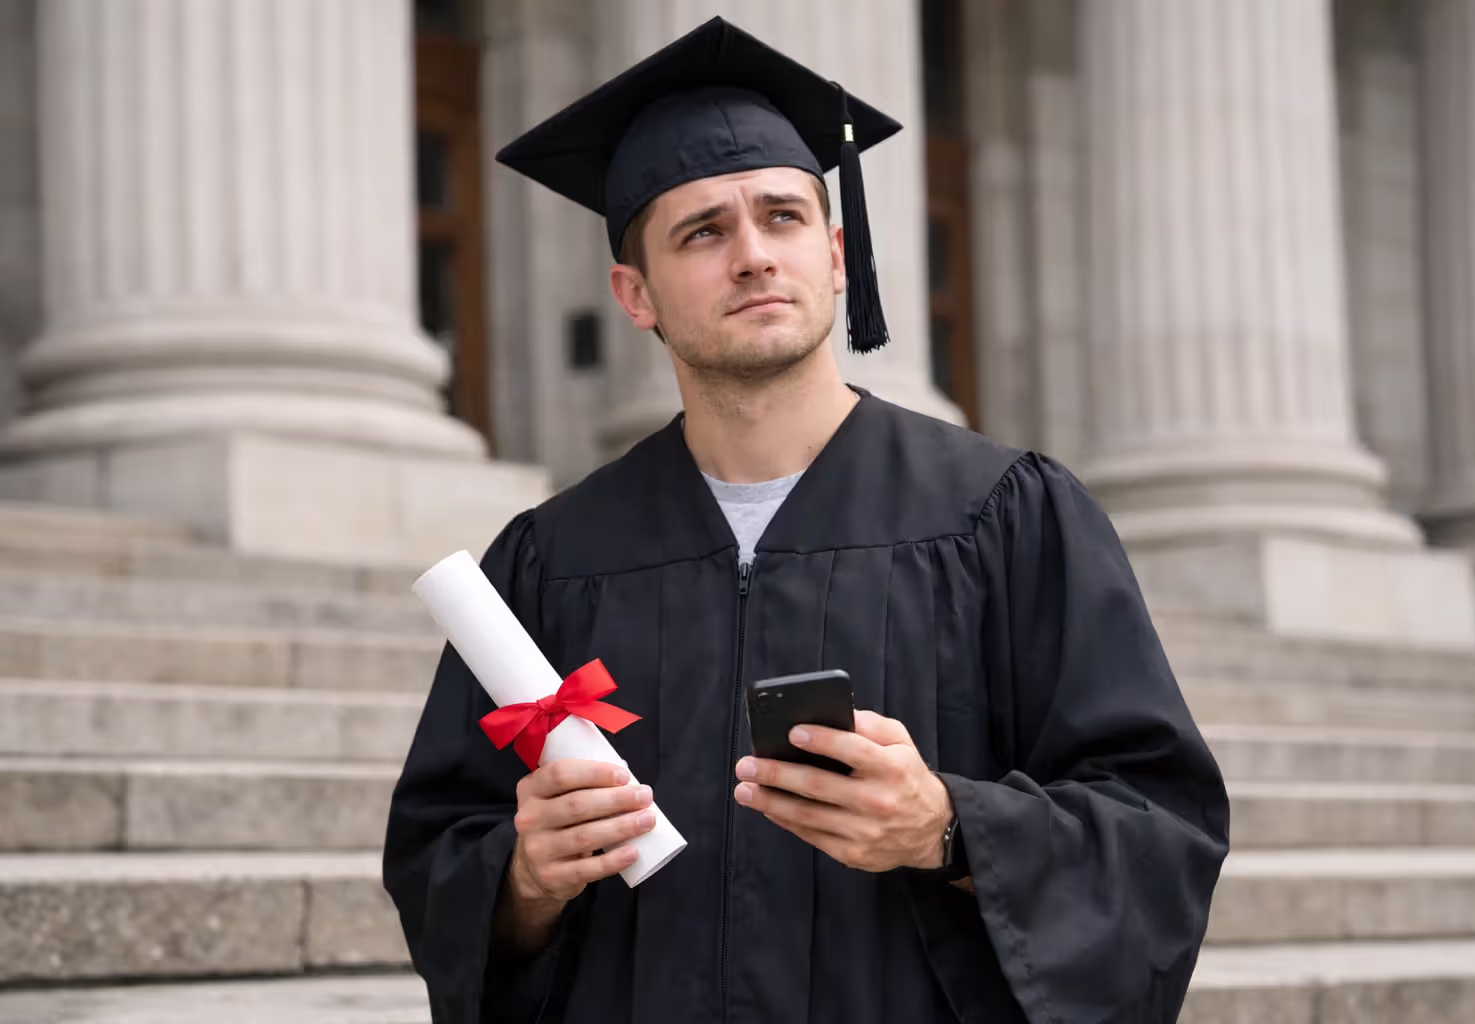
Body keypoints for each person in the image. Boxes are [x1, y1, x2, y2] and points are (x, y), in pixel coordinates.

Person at [383, 17, 1228, 1024]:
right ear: (635, 293)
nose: (752, 256)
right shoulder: (554, 560)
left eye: (782, 217)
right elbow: (439, 849)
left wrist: (950, 827)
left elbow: (1158, 826)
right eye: (702, 231)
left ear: (834, 253)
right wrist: (525, 877)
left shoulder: (1009, 516)